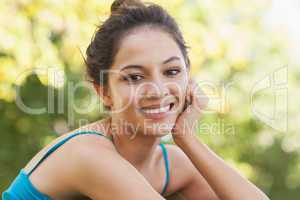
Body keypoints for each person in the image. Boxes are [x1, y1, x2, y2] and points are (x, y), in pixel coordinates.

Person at [2, 0, 270, 199]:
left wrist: (186, 136)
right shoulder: (87, 154)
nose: (157, 89)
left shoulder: (170, 163)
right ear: (103, 92)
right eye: (134, 77)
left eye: (172, 71)